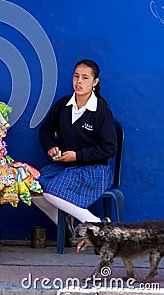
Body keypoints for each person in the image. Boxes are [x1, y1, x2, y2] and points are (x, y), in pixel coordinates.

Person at [32, 59, 117, 233]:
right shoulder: (63, 105)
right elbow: (46, 130)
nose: (79, 82)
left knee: (52, 191)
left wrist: (78, 156)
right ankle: (67, 229)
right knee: (31, 187)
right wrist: (51, 147)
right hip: (65, 167)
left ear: (95, 82)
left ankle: (95, 223)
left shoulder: (100, 111)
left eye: (85, 78)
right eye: (76, 76)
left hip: (93, 170)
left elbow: (109, 147)